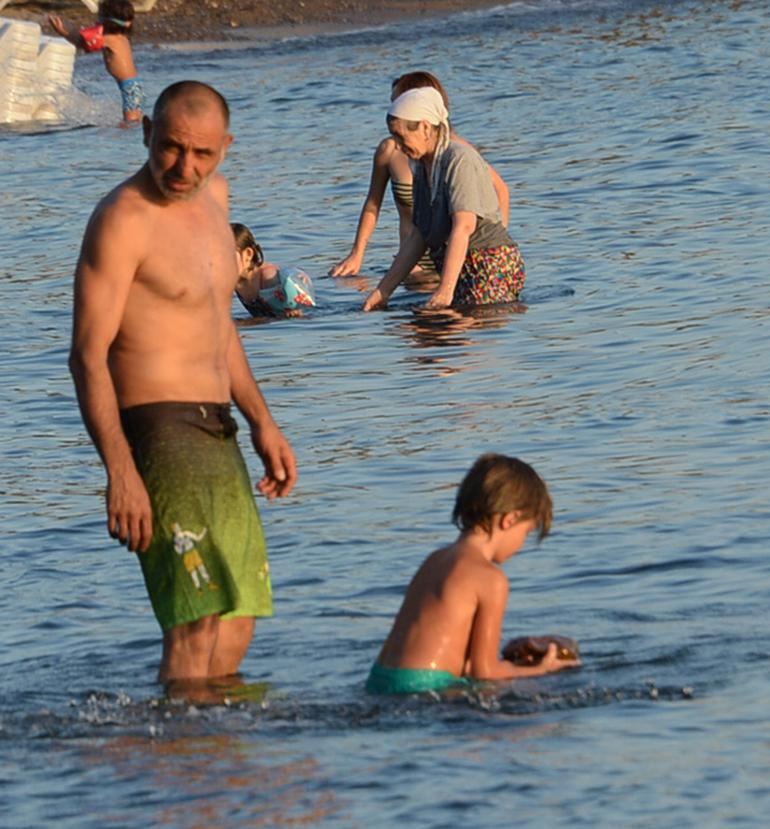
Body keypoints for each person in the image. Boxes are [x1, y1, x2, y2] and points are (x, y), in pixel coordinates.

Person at [68, 80, 297, 685]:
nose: (184, 167)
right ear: (147, 133)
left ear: (225, 148)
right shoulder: (122, 221)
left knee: (240, 613)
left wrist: (263, 422)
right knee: (195, 619)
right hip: (158, 429)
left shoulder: (216, 203)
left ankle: (208, 739)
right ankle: (182, 733)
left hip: (217, 427)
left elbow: (219, 325)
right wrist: (120, 471)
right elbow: (87, 357)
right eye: (171, 147)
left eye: (202, 153)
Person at [366, 454, 580, 695]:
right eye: (527, 532)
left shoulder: (435, 560)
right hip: (424, 687)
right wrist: (542, 669)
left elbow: (456, 652)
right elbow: (484, 672)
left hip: (379, 680)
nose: (521, 544)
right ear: (510, 520)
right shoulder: (491, 579)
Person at [329, 71, 509, 279]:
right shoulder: (389, 151)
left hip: (458, 257)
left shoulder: (457, 153)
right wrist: (357, 254)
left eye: (397, 102)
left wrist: (493, 247)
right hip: (413, 261)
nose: (394, 111)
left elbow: (500, 190)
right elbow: (373, 204)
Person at [363, 87, 525, 312]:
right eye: (393, 136)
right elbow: (418, 235)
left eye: (401, 136)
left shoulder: (459, 159)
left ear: (425, 127)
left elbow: (464, 226)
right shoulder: (421, 166)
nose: (397, 145)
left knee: (454, 323)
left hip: (489, 263)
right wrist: (382, 292)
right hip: (458, 267)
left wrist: (445, 290)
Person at [48, 0, 144, 123]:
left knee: (129, 123)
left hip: (129, 88)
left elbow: (81, 42)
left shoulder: (109, 39)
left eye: (100, 16)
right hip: (134, 86)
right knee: (135, 120)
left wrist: (62, 31)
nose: (96, 21)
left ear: (108, 21)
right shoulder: (121, 37)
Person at [232, 222, 316, 318]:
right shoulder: (231, 279)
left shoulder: (271, 281)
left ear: (248, 254)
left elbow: (291, 318)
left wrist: (246, 323)